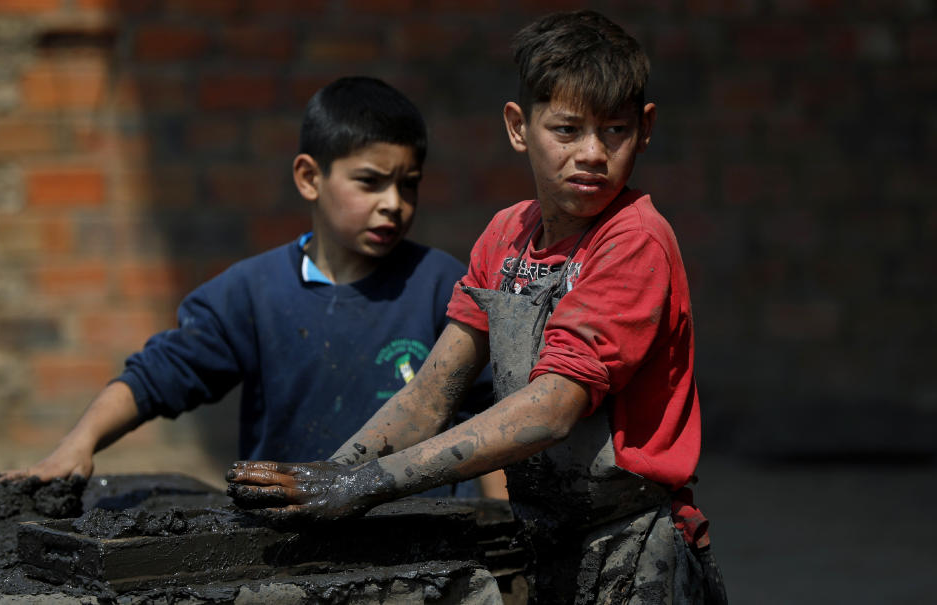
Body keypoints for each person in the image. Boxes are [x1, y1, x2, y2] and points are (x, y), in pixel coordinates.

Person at [227, 11, 727, 604]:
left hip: (635, 547)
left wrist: (370, 484)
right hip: (545, 533)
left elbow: (552, 409)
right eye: (566, 130)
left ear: (644, 130)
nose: (592, 152)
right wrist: (332, 475)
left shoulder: (633, 241)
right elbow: (432, 391)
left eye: (614, 131)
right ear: (519, 127)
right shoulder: (505, 235)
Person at [9, 76, 498, 499]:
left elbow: (491, 415)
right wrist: (79, 443)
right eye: (369, 182)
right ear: (309, 178)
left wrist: (501, 522)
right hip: (288, 541)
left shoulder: (441, 284)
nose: (393, 203)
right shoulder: (251, 293)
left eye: (408, 184)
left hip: (427, 539)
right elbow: (158, 375)